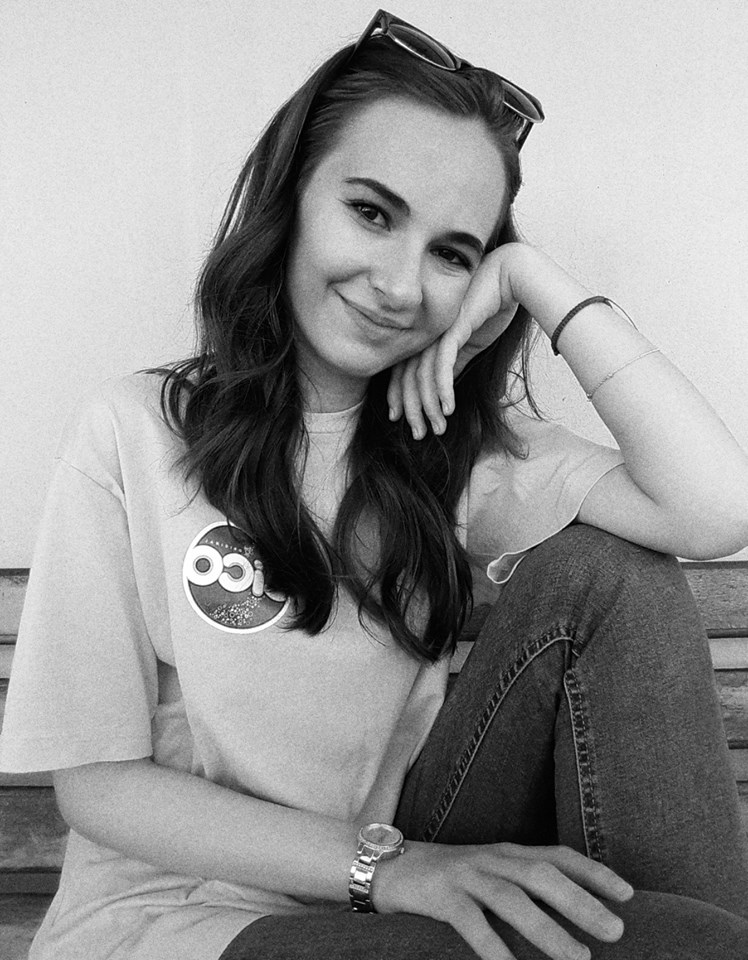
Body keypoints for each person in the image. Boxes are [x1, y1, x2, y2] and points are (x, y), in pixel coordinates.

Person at [1, 9, 748, 960]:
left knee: (613, 576)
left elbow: (713, 512)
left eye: (452, 252)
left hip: (399, 882)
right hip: (185, 915)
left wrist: (537, 280)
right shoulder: (136, 432)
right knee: (684, 945)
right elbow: (99, 786)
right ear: (291, 197)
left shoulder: (457, 450)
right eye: (372, 212)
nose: (401, 284)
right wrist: (389, 870)